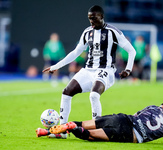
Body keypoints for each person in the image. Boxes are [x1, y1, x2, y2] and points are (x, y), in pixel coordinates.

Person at [42, 5, 136, 138]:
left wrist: (128, 69)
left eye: (94, 18)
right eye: (89, 18)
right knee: (66, 92)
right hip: (88, 70)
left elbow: (132, 50)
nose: (91, 21)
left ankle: (97, 131)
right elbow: (76, 52)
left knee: (94, 95)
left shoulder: (113, 32)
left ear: (102, 17)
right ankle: (62, 131)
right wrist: (56, 66)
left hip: (105, 70)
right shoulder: (87, 32)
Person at [36, 103, 163, 145]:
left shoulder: (152, 107)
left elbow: (137, 115)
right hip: (129, 134)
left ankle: (47, 131)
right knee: (91, 136)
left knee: (86, 123)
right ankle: (74, 129)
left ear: (162, 107)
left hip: (123, 118)